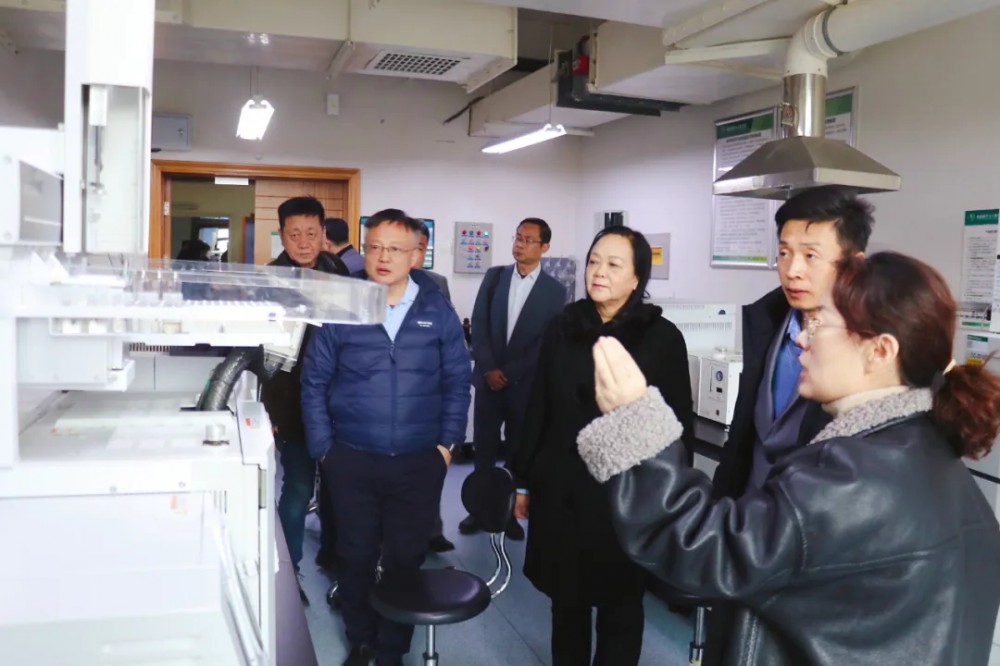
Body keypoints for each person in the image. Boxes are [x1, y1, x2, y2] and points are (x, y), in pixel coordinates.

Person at [577, 252, 1000, 666]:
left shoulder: (851, 479)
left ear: (879, 351)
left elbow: (702, 549)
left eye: (820, 323)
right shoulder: (938, 463)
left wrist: (635, 421)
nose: (801, 338)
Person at [510, 226, 694, 666]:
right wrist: (524, 480)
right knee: (566, 602)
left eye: (613, 264)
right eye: (594, 261)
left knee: (621, 607)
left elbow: (676, 427)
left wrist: (666, 500)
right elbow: (539, 406)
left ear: (637, 278)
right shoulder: (563, 326)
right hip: (562, 487)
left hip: (625, 497)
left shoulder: (662, 337)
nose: (598, 271)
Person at [301, 209, 471, 666]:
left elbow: (458, 381)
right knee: (354, 555)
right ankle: (360, 639)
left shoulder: (437, 310)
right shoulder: (343, 305)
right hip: (351, 457)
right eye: (374, 246)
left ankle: (393, 647)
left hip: (419, 458)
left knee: (405, 559)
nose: (382, 257)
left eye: (395, 249)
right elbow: (314, 381)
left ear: (416, 255)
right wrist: (324, 450)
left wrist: (446, 445)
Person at [259, 196, 349, 605]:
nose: (303, 241)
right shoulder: (271, 280)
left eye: (311, 233)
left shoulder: (338, 272)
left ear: (323, 233)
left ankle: (339, 566)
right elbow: (261, 355)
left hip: (337, 407)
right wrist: (268, 411)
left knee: (339, 492)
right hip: (290, 405)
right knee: (296, 489)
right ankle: (289, 569)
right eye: (294, 234)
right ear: (281, 236)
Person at [459, 217, 565, 539]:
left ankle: (508, 515)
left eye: (528, 240)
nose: (520, 244)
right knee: (484, 448)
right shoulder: (495, 277)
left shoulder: (554, 291)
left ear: (544, 247)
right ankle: (479, 510)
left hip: (524, 385)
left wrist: (511, 372)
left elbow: (546, 341)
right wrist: (489, 368)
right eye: (518, 237)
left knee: (518, 450)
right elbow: (478, 324)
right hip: (488, 380)